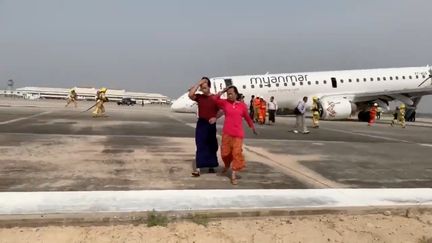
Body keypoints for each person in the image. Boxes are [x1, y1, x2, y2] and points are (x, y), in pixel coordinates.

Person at [215, 86, 257, 185]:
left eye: (230, 93)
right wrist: (223, 91)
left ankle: (233, 174)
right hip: (227, 133)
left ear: (236, 94)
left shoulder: (242, 106)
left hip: (238, 134)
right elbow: (215, 99)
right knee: (225, 153)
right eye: (228, 94)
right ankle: (227, 165)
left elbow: (247, 117)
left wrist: (252, 127)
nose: (229, 95)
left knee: (236, 153)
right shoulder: (225, 103)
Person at [188, 77, 220, 177]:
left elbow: (222, 110)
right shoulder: (199, 97)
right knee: (200, 144)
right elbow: (190, 95)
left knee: (211, 145)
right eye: (202, 87)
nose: (203, 89)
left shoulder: (214, 98)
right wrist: (198, 83)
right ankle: (198, 168)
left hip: (211, 124)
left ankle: (211, 165)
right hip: (201, 123)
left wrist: (215, 117)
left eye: (205, 87)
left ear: (209, 87)